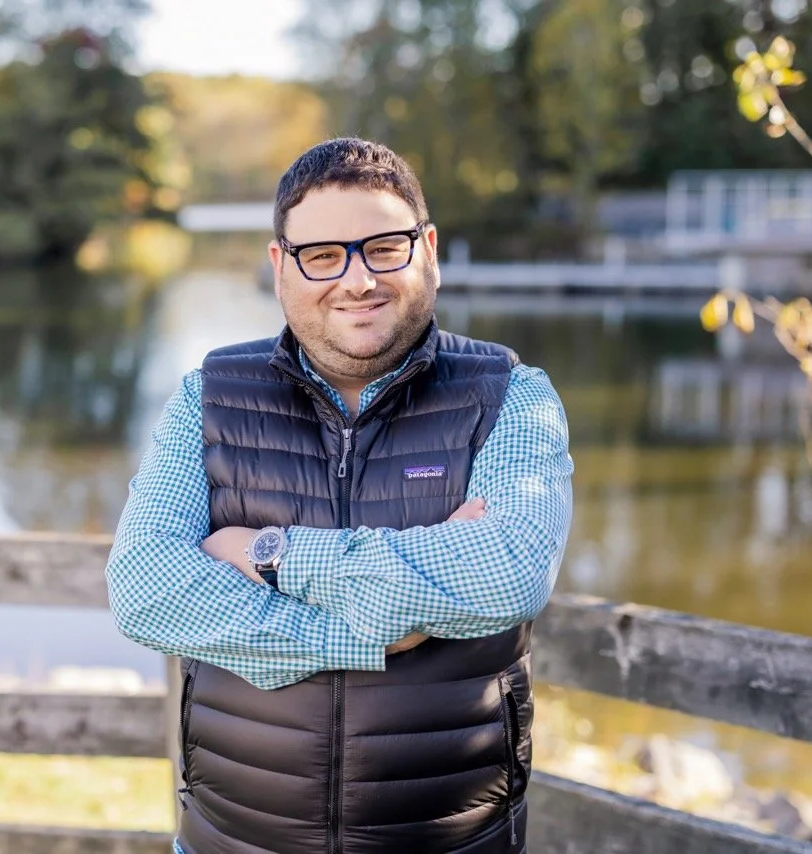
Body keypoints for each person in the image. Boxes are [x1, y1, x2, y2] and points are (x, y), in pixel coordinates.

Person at [106, 137, 574, 854]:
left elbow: (505, 573)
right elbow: (144, 589)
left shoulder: (510, 397)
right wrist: (366, 633)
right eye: (322, 256)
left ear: (428, 251)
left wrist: (268, 554)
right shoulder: (208, 398)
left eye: (384, 248)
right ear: (279, 266)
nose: (358, 280)